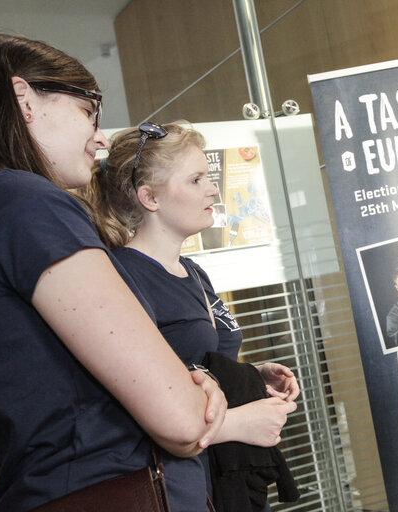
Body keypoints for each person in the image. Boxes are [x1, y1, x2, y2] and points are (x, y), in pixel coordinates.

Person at [0, 33, 228, 511]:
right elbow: (184, 422)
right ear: (24, 99)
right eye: (87, 110)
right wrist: (198, 390)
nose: (99, 135)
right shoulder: (26, 202)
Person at [84, 122, 300, 511]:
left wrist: (251, 375)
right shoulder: (122, 277)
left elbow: (199, 362)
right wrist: (236, 425)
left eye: (210, 178)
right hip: (179, 488)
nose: (213, 189)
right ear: (150, 197)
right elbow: (126, 410)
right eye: (197, 179)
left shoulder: (193, 272)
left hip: (222, 480)